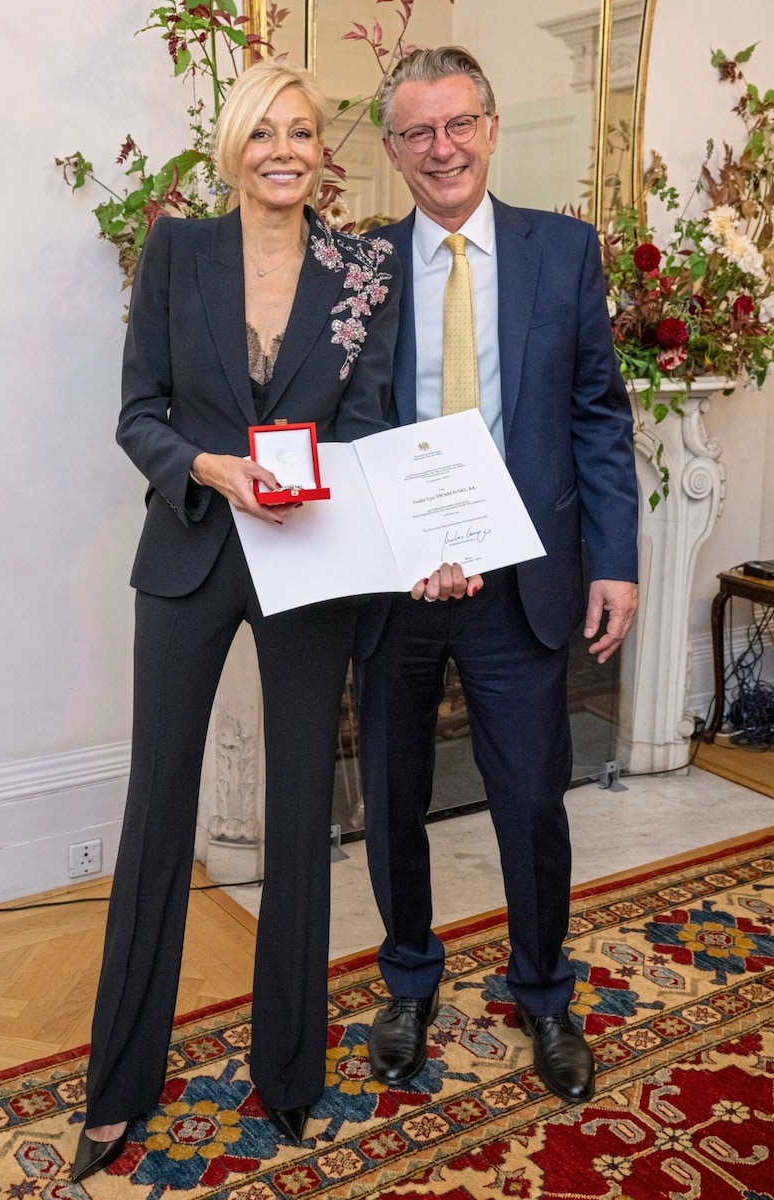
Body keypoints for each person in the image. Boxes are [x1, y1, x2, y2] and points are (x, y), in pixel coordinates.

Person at [71, 61, 402, 1183]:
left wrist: (347, 496)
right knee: (157, 808)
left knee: (302, 805)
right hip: (190, 551)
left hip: (309, 559)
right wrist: (207, 465)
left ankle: (290, 1072)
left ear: (321, 151)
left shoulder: (363, 268)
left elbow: (366, 418)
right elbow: (137, 412)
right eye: (262, 130)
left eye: (300, 131)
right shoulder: (176, 254)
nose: (282, 149)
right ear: (233, 146)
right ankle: (118, 1086)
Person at [355, 47, 639, 1106]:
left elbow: (597, 417)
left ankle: (542, 990)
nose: (442, 148)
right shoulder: (362, 268)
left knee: (529, 802)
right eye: (417, 132)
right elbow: (343, 431)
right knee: (391, 796)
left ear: (489, 124)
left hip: (521, 581)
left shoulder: (562, 252)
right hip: (395, 587)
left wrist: (614, 561)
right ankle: (406, 980)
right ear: (392, 151)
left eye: (457, 123)